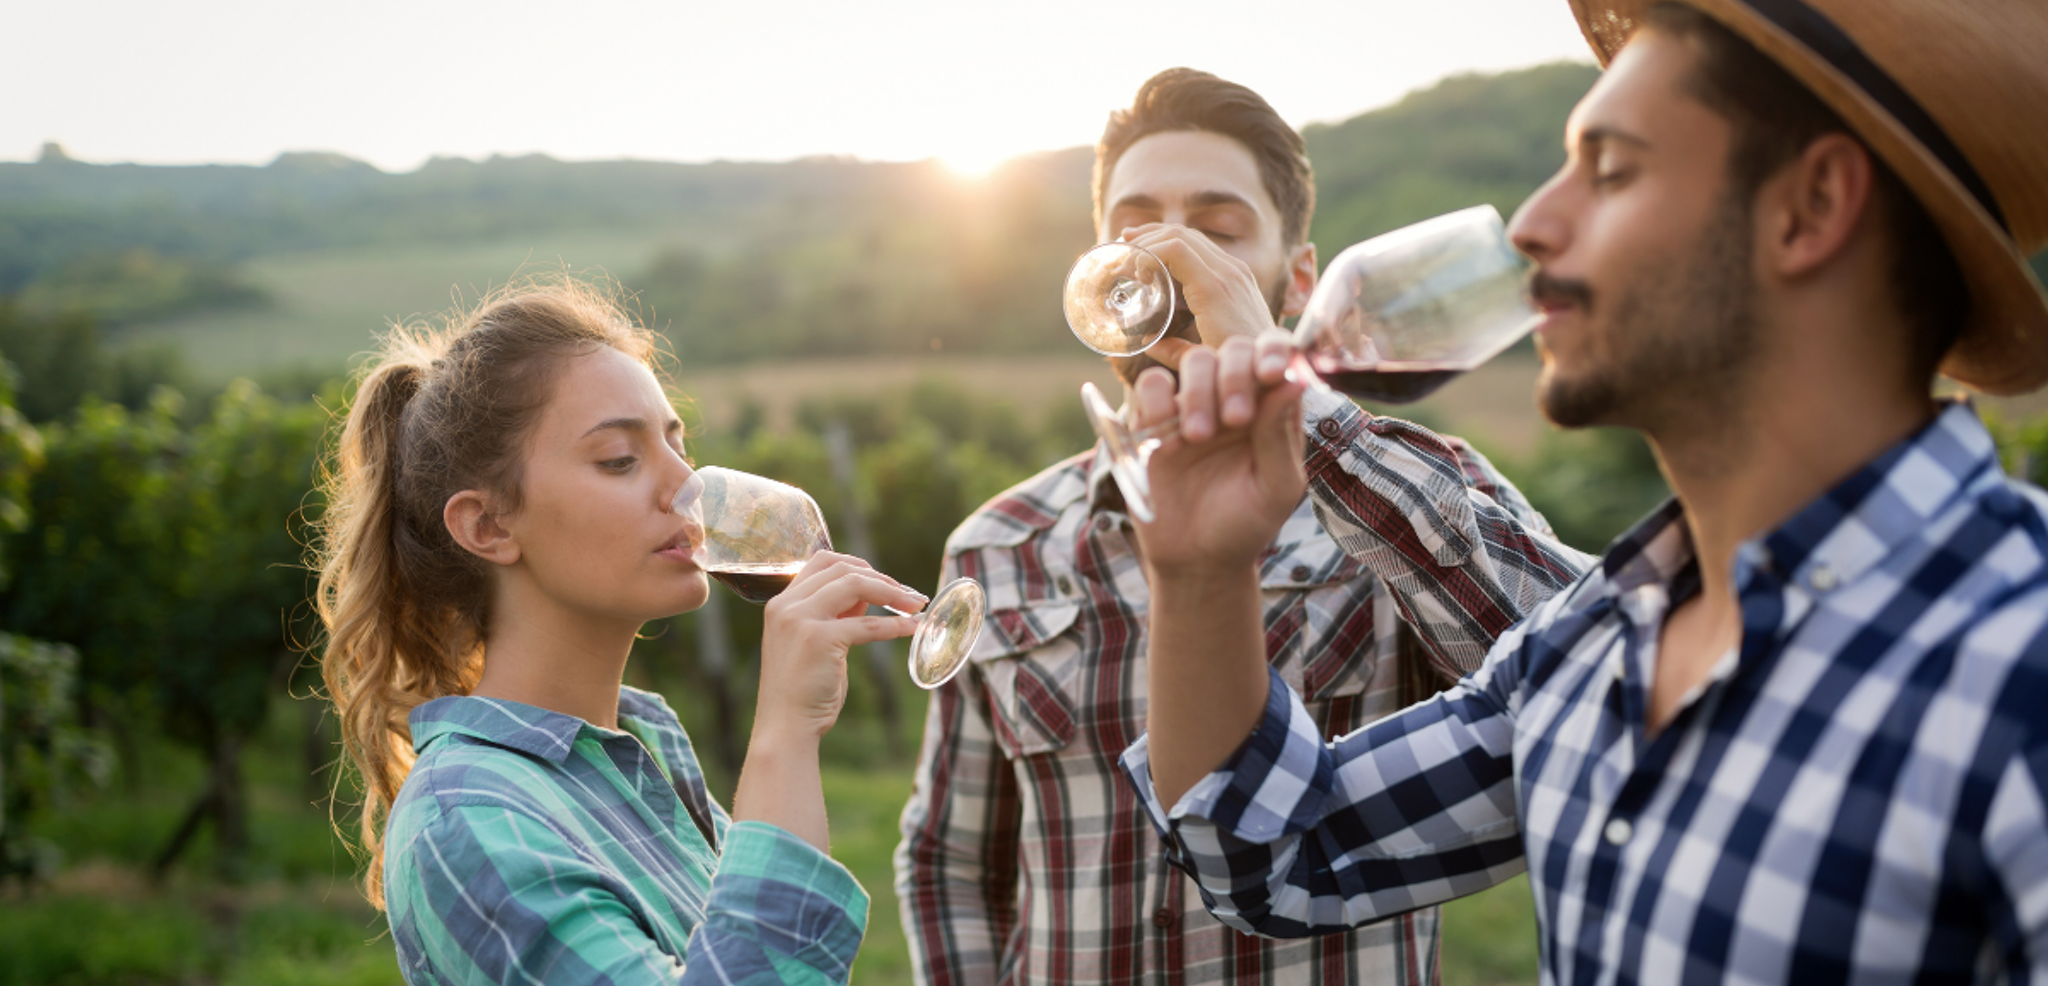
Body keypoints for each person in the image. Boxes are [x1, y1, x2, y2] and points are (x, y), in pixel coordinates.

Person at [1119, 0, 2048, 982]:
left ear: (1808, 207)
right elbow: (1272, 853)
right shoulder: (1592, 635)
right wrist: (1200, 571)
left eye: (1607, 169)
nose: (1530, 223)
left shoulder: (2016, 660)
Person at [894, 68, 1590, 985]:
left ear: (1295, 281)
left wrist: (1300, 406)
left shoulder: (1423, 493)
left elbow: (1594, 673)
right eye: (1135, 230)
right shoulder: (997, 543)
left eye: (1217, 234)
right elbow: (951, 859)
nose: (1172, 259)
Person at [315, 281, 931, 985]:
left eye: (678, 444)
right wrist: (784, 734)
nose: (686, 486)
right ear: (487, 526)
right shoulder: (471, 820)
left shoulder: (640, 753)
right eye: (619, 459)